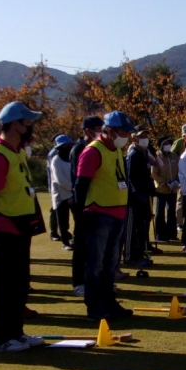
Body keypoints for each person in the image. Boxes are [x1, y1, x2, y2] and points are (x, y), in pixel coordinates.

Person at [0, 102, 46, 353]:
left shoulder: (16, 151)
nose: (31, 127)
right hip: (2, 226)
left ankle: (17, 332)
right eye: (27, 122)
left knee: (19, 282)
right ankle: (3, 338)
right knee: (3, 285)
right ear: (15, 124)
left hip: (19, 226)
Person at [75, 111, 134, 323]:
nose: (126, 136)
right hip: (98, 214)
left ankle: (110, 303)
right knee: (95, 265)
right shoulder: (92, 151)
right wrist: (81, 218)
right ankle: (95, 308)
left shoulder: (116, 150)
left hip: (117, 213)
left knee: (110, 264)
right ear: (110, 131)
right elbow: (81, 186)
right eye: (123, 132)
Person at [69, 115, 104, 296]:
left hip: (98, 203)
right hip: (83, 204)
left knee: (96, 246)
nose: (101, 131)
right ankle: (79, 282)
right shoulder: (79, 149)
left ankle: (95, 281)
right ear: (87, 131)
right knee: (81, 243)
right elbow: (79, 181)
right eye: (99, 128)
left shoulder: (101, 148)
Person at [123, 128, 155, 271]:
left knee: (142, 227)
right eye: (142, 137)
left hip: (144, 195)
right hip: (134, 198)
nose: (145, 139)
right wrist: (136, 193)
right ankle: (129, 256)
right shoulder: (133, 155)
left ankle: (140, 253)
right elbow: (130, 178)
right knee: (131, 228)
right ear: (134, 139)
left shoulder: (144, 154)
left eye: (146, 136)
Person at [47, 134, 74, 249]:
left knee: (77, 218)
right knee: (63, 220)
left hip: (72, 193)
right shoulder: (55, 160)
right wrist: (73, 188)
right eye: (65, 146)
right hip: (60, 194)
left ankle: (76, 240)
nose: (67, 147)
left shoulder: (72, 158)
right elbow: (60, 179)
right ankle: (65, 242)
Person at [153, 136, 180, 243]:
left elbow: (179, 169)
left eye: (169, 143)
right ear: (161, 146)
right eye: (165, 144)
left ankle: (172, 234)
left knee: (172, 211)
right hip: (161, 189)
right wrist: (165, 182)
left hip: (173, 189)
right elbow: (154, 174)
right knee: (160, 212)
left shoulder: (174, 156)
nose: (168, 146)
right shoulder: (157, 157)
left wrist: (177, 180)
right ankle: (161, 235)